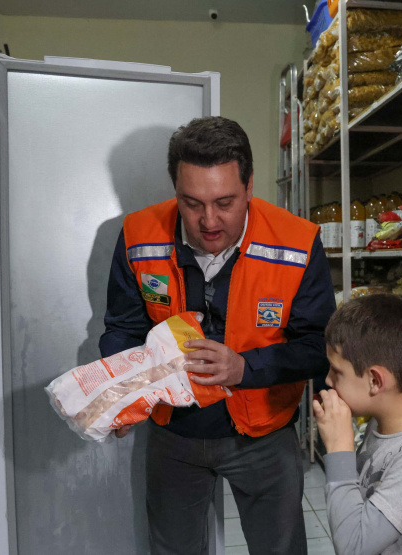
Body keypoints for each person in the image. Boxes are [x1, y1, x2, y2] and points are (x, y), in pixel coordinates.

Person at [100, 116, 336, 554]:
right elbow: (123, 328)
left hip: (265, 436)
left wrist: (246, 368)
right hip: (174, 437)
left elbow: (317, 346)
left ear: (249, 187)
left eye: (225, 202)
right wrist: (121, 393)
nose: (209, 221)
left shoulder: (297, 243)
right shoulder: (137, 235)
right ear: (175, 190)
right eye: (192, 203)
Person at [313, 295, 402, 555]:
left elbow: (353, 547)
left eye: (337, 371)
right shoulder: (381, 426)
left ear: (375, 382)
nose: (328, 379)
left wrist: (338, 448)